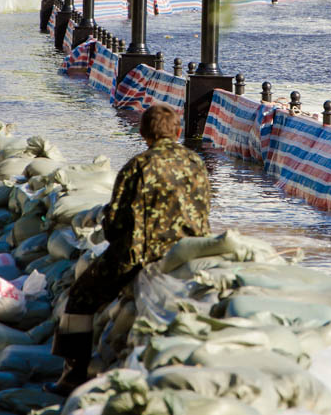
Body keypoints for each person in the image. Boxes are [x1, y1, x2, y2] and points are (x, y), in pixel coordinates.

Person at [50, 104, 211, 394]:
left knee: (80, 297)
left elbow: (115, 222)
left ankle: (72, 376)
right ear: (177, 131)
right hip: (189, 251)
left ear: (143, 132)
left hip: (140, 253)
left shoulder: (139, 165)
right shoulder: (195, 162)